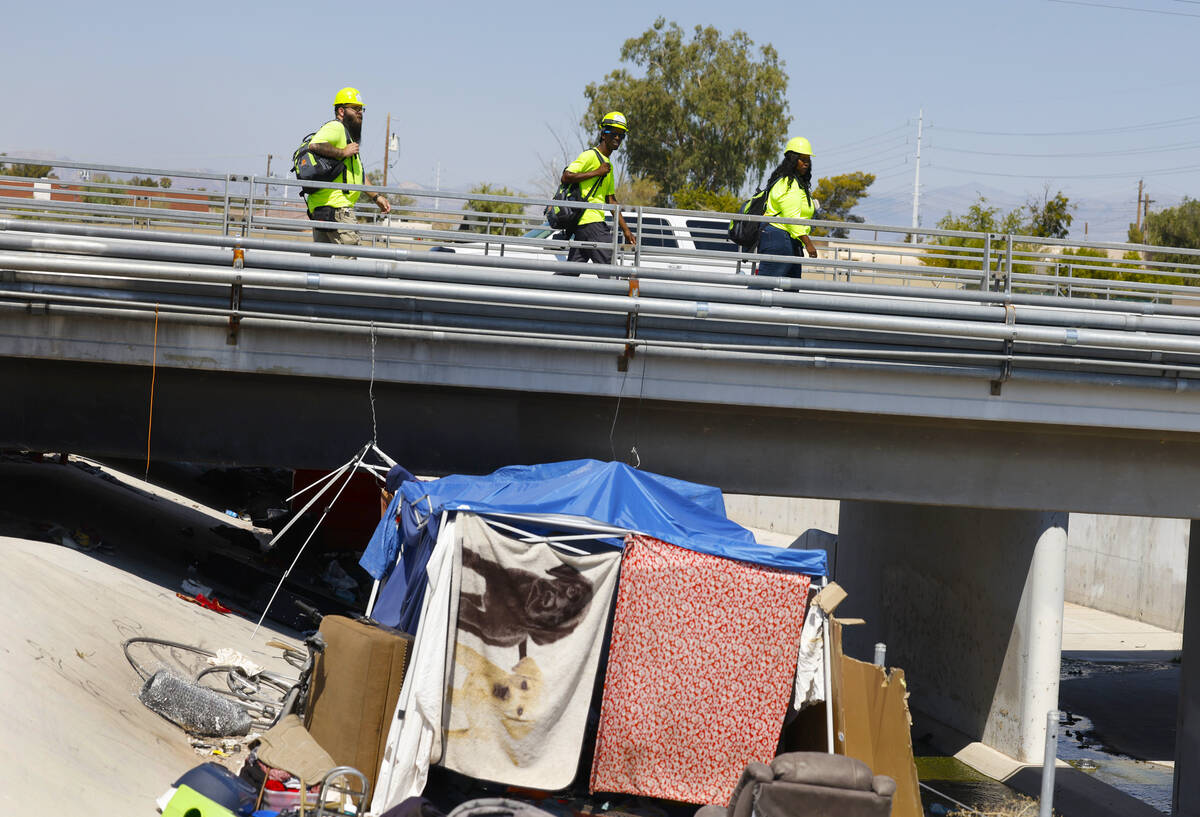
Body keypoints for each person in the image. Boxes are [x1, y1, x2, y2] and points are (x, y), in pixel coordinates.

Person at [305, 87, 391, 247]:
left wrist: (376, 197)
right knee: (350, 260)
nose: (360, 113)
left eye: (361, 109)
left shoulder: (346, 135)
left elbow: (358, 174)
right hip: (338, 209)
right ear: (341, 111)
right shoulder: (336, 128)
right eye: (355, 108)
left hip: (323, 208)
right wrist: (343, 151)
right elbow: (314, 145)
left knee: (320, 263)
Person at [558, 111, 637, 272]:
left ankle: (547, 295)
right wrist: (596, 172)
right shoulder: (590, 156)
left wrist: (626, 230)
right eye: (614, 133)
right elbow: (566, 176)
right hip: (592, 224)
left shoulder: (609, 165)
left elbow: (611, 201)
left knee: (567, 276)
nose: (617, 138)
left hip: (585, 228)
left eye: (621, 135)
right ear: (603, 134)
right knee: (611, 274)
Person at [757, 136, 818, 278]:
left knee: (791, 291)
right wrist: (808, 244)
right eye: (802, 159)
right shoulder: (787, 184)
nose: (806, 163)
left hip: (790, 240)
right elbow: (792, 218)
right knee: (763, 287)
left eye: (808, 160)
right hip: (779, 238)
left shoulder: (797, 184)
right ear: (792, 159)